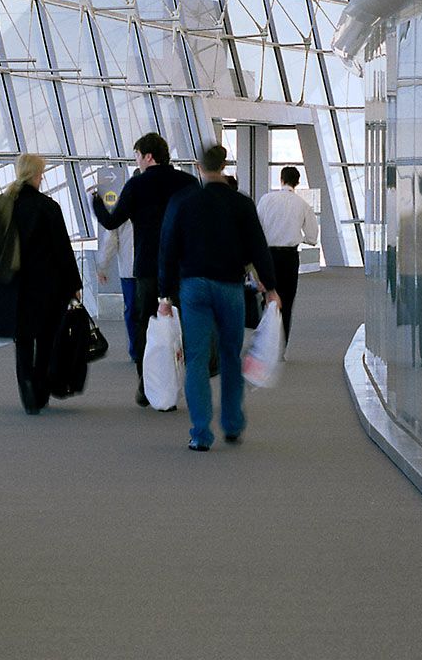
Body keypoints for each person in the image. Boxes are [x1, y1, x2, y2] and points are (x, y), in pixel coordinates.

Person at [158, 142, 278, 452]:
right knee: (229, 355)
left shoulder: (183, 201)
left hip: (193, 287)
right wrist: (271, 286)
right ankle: (233, 424)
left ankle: (200, 433)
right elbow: (258, 247)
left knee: (197, 358)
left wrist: (165, 294)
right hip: (230, 287)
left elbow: (168, 248)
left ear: (199, 166)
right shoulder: (240, 203)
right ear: (223, 167)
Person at [94, 132, 196, 406]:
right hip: (183, 267)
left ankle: (147, 385)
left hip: (149, 266)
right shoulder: (188, 183)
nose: (136, 161)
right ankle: (187, 382)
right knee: (186, 324)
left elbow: (112, 222)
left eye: (137, 156)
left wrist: (96, 203)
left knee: (145, 325)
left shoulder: (137, 185)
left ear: (148, 156)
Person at [0, 155, 83, 412]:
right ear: (37, 174)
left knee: (23, 339)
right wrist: (74, 284)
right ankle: (40, 388)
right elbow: (62, 250)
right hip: (46, 287)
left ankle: (26, 387)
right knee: (46, 338)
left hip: (14, 288)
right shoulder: (47, 207)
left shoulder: (0, 205)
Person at [257, 164, 321, 345]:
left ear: (281, 179)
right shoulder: (303, 205)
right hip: (289, 257)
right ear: (297, 182)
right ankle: (280, 346)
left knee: (268, 296)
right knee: (287, 299)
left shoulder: (266, 200)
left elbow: (257, 228)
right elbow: (311, 237)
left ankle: (265, 341)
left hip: (267, 256)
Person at [88, 165, 135, 357]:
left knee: (132, 311)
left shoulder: (123, 210)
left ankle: (137, 350)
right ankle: (151, 347)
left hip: (130, 269)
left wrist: (102, 267)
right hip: (151, 269)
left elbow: (110, 239)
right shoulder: (160, 208)